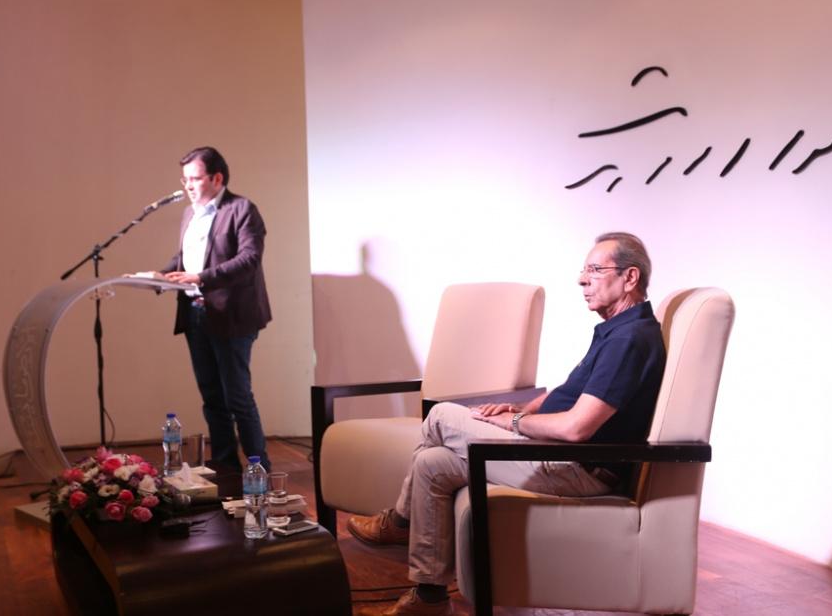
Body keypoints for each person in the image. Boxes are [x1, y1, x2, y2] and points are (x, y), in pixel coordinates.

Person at [347, 232, 667, 616]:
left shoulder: (629, 339)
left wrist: (515, 421)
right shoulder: (619, 330)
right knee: (431, 464)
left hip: (575, 467)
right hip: (558, 455)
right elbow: (569, 393)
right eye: (584, 270)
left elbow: (576, 428)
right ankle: (430, 597)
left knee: (441, 415)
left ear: (630, 278)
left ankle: (400, 521)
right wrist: (520, 409)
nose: (582, 279)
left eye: (595, 270)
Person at [159, 146, 273, 472]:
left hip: (232, 316)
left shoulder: (242, 209)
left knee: (237, 396)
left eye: (195, 178)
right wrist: (158, 276)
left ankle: (259, 469)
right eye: (185, 180)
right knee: (212, 396)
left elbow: (249, 260)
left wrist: (201, 277)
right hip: (195, 313)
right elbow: (185, 259)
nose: (188, 186)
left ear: (217, 178)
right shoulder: (190, 214)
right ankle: (225, 465)